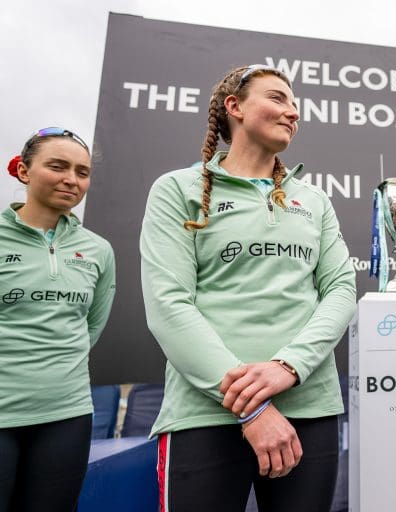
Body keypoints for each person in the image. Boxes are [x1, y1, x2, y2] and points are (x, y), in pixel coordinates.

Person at [140, 65, 356, 512]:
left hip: (308, 408)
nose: (292, 112)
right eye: (277, 98)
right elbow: (169, 305)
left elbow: (340, 290)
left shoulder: (314, 200)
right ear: (234, 107)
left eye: (294, 104)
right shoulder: (176, 189)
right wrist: (252, 408)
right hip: (206, 412)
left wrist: (288, 366)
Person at [0, 128, 116, 511]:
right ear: (23, 171)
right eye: (57, 166)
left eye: (82, 172)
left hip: (67, 414)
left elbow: (91, 326)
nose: (71, 179)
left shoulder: (98, 250)